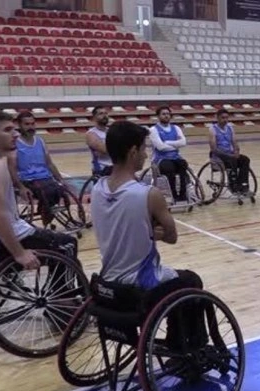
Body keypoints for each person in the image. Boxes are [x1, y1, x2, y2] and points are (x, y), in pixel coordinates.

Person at [89, 120, 207, 350]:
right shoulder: (149, 194)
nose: (146, 154)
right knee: (191, 280)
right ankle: (184, 348)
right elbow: (172, 237)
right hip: (138, 286)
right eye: (144, 148)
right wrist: (154, 232)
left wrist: (141, 229)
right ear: (133, 151)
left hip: (107, 281)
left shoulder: (96, 189)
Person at [0, 111, 78, 278]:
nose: (15, 134)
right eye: (8, 130)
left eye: (14, 129)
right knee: (67, 244)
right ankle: (65, 301)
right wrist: (19, 253)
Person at [7, 111, 67, 226]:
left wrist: (60, 179)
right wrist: (20, 187)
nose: (31, 127)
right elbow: (12, 169)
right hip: (27, 180)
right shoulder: (15, 143)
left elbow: (49, 164)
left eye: (32, 124)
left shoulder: (40, 141)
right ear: (19, 125)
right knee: (46, 191)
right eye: (27, 124)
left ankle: (45, 211)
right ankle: (46, 215)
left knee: (60, 189)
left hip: (45, 178)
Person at [148, 105, 190, 202]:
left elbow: (183, 142)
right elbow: (161, 147)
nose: (166, 116)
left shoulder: (176, 128)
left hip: (175, 158)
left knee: (183, 164)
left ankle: (183, 195)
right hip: (160, 160)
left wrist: (168, 142)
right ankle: (174, 195)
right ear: (158, 116)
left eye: (168, 114)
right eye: (163, 114)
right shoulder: (153, 130)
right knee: (169, 167)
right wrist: (176, 145)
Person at [209, 108, 251, 194]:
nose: (225, 120)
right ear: (217, 118)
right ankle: (233, 185)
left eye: (227, 118)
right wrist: (229, 156)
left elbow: (234, 142)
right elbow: (214, 149)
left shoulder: (230, 128)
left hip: (230, 155)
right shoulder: (212, 129)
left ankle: (243, 184)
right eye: (223, 118)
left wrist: (237, 151)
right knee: (232, 160)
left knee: (245, 159)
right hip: (218, 157)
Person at [85, 105, 112, 177]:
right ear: (94, 117)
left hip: (115, 168)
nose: (104, 116)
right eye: (101, 114)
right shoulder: (91, 134)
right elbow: (105, 150)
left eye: (106, 113)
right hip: (102, 170)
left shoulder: (111, 131)